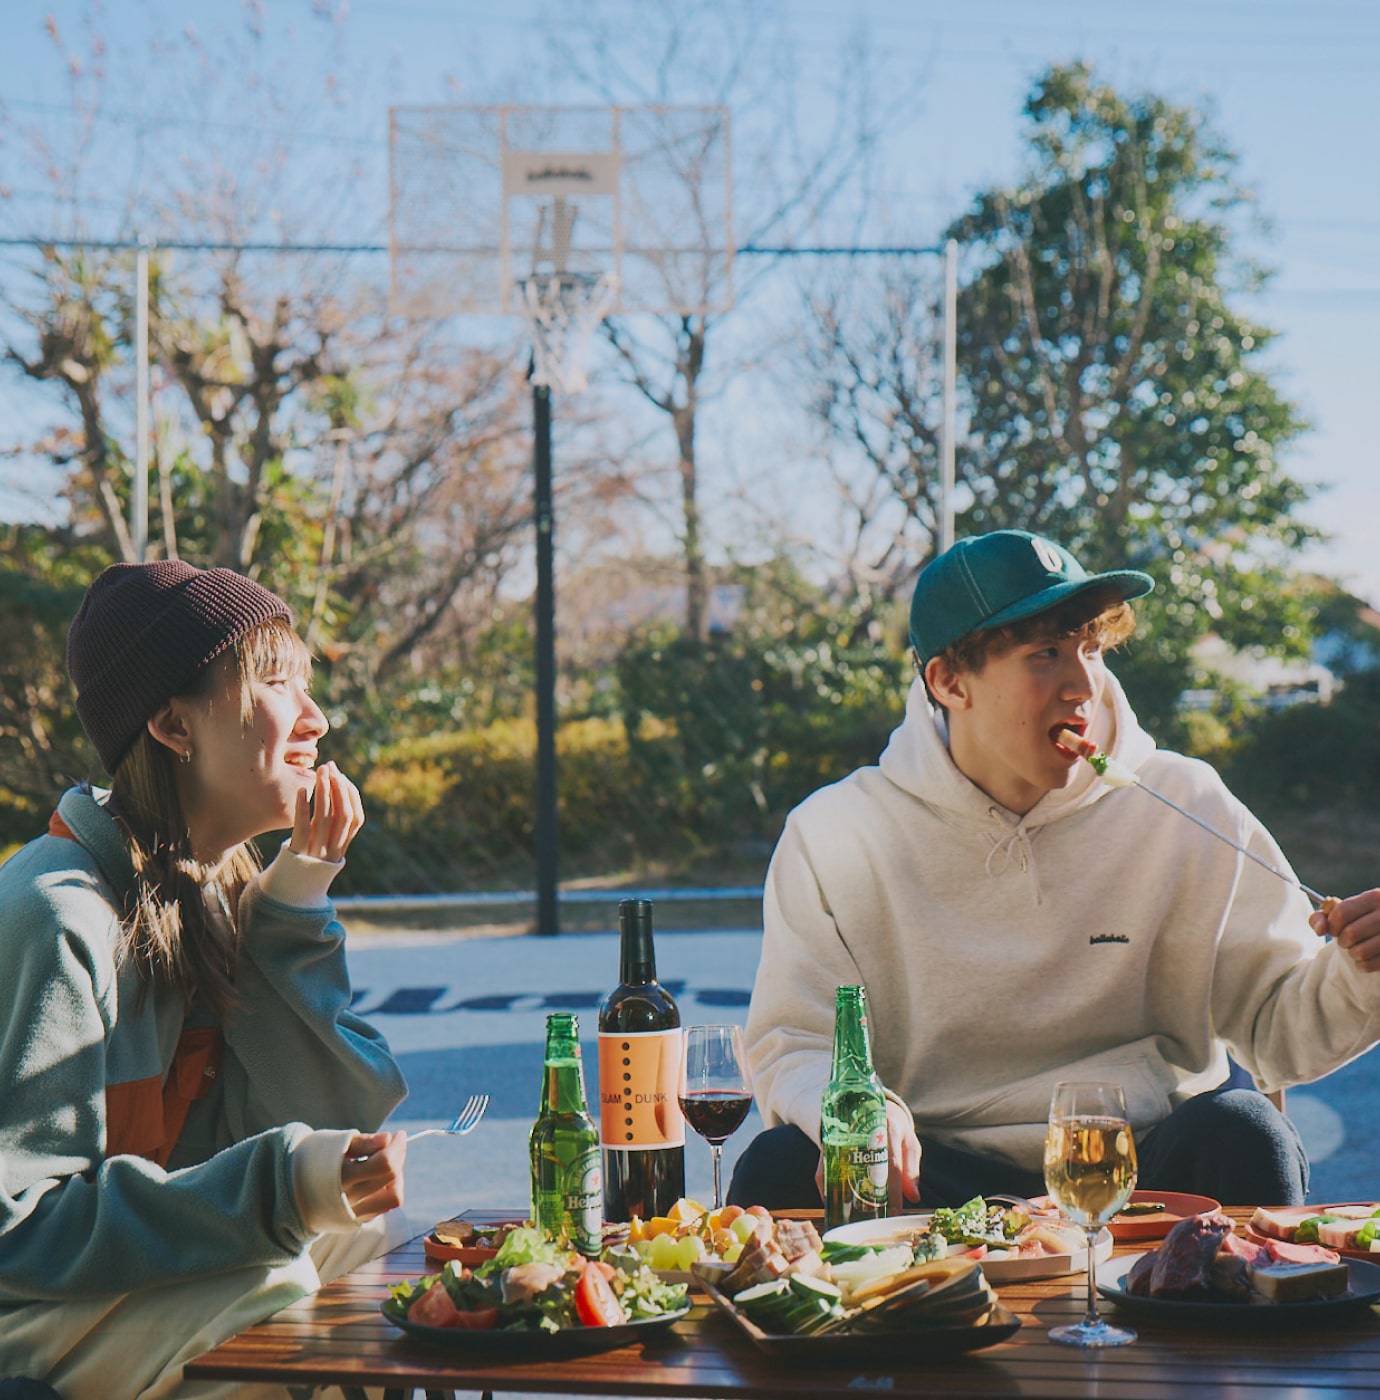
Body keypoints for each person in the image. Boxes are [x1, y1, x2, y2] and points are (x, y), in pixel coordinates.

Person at [730, 528, 1380, 1212]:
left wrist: (1360, 971)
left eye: (1091, 649)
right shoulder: (835, 832)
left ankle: (1269, 1318)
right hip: (931, 1175)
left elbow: (1280, 1034)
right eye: (1045, 654)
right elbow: (791, 1042)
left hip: (1142, 1161)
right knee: (780, 1162)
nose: (1083, 682)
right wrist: (860, 1115)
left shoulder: (1187, 803)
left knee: (1247, 1131)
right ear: (949, 681)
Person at [0, 561, 411, 1399]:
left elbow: (331, 1112)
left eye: (308, 685)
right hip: (23, 1307)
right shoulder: (61, 914)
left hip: (101, 1283)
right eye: (274, 682)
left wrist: (292, 901)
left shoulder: (210, 890)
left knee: (376, 1245)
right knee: (280, 1297)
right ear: (172, 726)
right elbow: (19, 1232)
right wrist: (279, 1184)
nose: (316, 719)